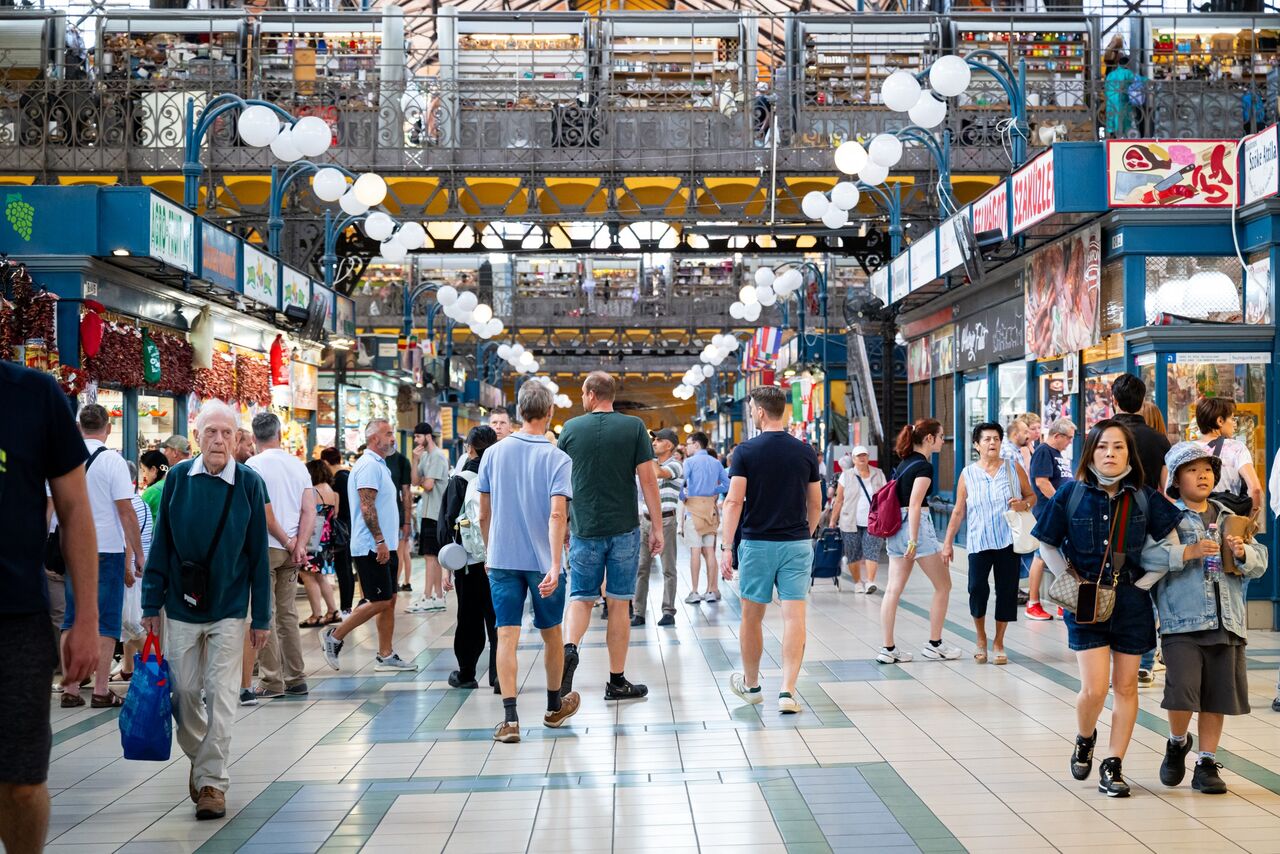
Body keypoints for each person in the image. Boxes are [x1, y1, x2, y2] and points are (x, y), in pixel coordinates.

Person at [1031, 420, 1182, 798]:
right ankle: (1085, 737)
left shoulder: (1145, 496)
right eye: (1102, 447)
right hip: (1085, 601)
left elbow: (1171, 545)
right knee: (1095, 690)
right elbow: (1046, 544)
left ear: (1129, 454)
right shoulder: (1071, 494)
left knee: (1127, 686)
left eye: (1118, 447)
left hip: (1131, 602)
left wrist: (1143, 584)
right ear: (1090, 453)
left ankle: (1113, 764)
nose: (1110, 454)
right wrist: (1069, 579)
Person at [141, 400, 273, 821]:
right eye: (210, 432)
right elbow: (161, 543)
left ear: (238, 440)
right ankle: (203, 761)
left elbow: (258, 557)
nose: (218, 439)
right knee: (182, 693)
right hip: (180, 606)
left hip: (230, 608)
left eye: (226, 433)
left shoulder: (249, 484)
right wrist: (150, 602)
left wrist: (263, 617)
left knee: (220, 694)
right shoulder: (179, 478)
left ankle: (212, 782)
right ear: (197, 438)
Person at [0, 362, 99, 853]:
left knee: (20, 784)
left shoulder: (34, 395)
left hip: (15, 622)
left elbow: (75, 508)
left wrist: (87, 620)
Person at [1150, 443, 1266, 796]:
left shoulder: (1230, 517)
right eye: (1191, 470)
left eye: (1207, 469)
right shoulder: (1166, 517)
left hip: (1226, 620)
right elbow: (1149, 558)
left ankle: (1206, 762)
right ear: (1175, 479)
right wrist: (1189, 551)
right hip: (1181, 622)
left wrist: (1244, 553)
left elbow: (1260, 562)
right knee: (1183, 691)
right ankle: (1176, 741)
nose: (1202, 475)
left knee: (1217, 695)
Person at [476, 382, 580, 741]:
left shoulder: (493, 454)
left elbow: (483, 514)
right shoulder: (557, 458)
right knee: (552, 635)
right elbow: (557, 516)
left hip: (502, 558)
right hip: (542, 562)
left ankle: (510, 721)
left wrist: (491, 552)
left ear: (519, 412)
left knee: (506, 636)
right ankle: (553, 708)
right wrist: (554, 564)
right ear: (550, 412)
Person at [557, 371, 662, 702]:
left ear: (589, 394)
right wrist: (657, 526)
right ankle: (617, 681)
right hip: (624, 529)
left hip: (584, 527)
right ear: (611, 395)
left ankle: (570, 649)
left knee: (581, 598)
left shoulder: (571, 429)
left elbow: (560, 484)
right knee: (618, 603)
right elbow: (648, 481)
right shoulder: (633, 428)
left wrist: (560, 528)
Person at [720, 386, 821, 715]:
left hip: (757, 544)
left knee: (752, 617)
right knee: (795, 617)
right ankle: (788, 691)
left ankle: (752, 686)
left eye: (751, 408)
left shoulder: (746, 452)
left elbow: (734, 501)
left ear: (761, 412)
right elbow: (815, 502)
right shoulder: (805, 451)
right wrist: (805, 535)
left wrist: (725, 546)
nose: (751, 412)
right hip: (796, 543)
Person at [61, 403, 145, 709]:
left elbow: (48, 505)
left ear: (80, 426)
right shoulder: (113, 461)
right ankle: (100, 690)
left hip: (72, 548)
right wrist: (137, 553)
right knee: (107, 621)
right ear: (108, 428)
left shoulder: (64, 457)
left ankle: (70, 688)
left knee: (71, 617)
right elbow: (126, 512)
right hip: (106, 549)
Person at [321, 419, 418, 674]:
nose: (393, 438)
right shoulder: (367, 466)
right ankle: (335, 636)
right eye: (388, 434)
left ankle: (385, 655)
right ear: (374, 438)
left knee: (390, 599)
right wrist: (379, 540)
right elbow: (367, 507)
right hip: (371, 546)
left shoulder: (380, 465)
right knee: (380, 599)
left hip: (386, 545)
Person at [941, 422, 1035, 666]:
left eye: (996, 439)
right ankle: (981, 638)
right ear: (976, 445)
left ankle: (999, 642)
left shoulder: (1013, 468)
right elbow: (958, 511)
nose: (992, 443)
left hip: (1007, 541)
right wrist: (948, 543)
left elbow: (1031, 495)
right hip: (978, 542)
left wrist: (1023, 505)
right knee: (977, 589)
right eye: (986, 439)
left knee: (1006, 592)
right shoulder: (968, 474)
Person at [877, 419, 961, 664]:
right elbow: (915, 504)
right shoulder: (923, 467)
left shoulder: (904, 463)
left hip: (894, 527)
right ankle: (935, 644)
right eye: (941, 436)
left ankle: (888, 648)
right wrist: (913, 540)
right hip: (915, 528)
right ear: (929, 439)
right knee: (943, 586)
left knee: (893, 589)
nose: (943, 441)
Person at [244, 412, 314, 703]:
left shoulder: (252, 466)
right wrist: (300, 544)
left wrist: (286, 540)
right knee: (288, 614)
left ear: (252, 438)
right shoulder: (297, 465)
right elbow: (309, 509)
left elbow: (261, 511)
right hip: (292, 549)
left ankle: (272, 680)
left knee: (265, 613)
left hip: (265, 547)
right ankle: (296, 677)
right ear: (280, 434)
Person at [437, 426, 499, 690]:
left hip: (469, 563)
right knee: (498, 620)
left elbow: (447, 523)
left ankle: (466, 673)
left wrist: (446, 566)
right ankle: (499, 676)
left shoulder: (460, 479)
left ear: (469, 448)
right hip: (499, 560)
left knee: (469, 618)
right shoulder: (501, 475)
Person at [1025, 418, 1077, 621]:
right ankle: (1033, 602)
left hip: (1059, 512)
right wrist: (1060, 504)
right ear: (1057, 436)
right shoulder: (1043, 452)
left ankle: (1061, 603)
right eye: (1069, 438)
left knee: (1049, 555)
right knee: (1042, 555)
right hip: (1049, 512)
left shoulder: (1056, 454)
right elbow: (1042, 482)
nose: (1070, 442)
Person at [633, 428, 683, 627]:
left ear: (669, 445)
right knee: (641, 567)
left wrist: (643, 453)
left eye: (658, 440)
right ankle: (638, 612)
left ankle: (668, 610)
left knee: (668, 567)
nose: (654, 443)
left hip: (666, 520)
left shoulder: (676, 465)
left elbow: (659, 472)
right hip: (645, 519)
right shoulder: (648, 464)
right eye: (652, 440)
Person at [828, 445, 886, 594]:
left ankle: (870, 582)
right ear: (853, 459)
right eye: (858, 456)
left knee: (871, 551)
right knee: (853, 553)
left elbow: (886, 498)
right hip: (850, 521)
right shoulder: (846, 475)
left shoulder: (878, 474)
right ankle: (858, 583)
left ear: (868, 457)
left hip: (874, 521)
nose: (862, 458)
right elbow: (839, 500)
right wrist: (833, 520)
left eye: (864, 455)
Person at [681, 431, 730, 603]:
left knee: (695, 551)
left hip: (693, 510)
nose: (686, 448)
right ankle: (710, 591)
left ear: (696, 444)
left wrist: (683, 497)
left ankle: (694, 592)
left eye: (688, 444)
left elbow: (681, 484)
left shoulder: (689, 462)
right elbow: (727, 484)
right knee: (710, 551)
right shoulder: (715, 462)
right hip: (710, 510)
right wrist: (712, 492)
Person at [1196, 397, 1262, 519]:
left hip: (1196, 519)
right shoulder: (1236, 448)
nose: (1234, 424)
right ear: (1220, 421)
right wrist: (1251, 522)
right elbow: (1255, 489)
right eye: (1232, 418)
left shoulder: (1187, 450)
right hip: (1229, 521)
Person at [409, 422, 450, 612]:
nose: (416, 440)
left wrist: (424, 480)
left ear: (428, 436)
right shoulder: (424, 457)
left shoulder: (437, 456)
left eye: (418, 436)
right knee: (430, 556)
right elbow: (416, 481)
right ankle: (436, 596)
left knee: (431, 557)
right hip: (428, 512)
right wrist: (414, 460)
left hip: (436, 513)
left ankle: (429, 596)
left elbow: (428, 485)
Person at [299, 460, 341, 628]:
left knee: (308, 575)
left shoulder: (314, 491)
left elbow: (307, 513)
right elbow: (334, 516)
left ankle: (316, 614)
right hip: (327, 539)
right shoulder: (332, 492)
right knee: (321, 576)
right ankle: (332, 611)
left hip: (312, 538)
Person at [1112, 374, 1170, 494]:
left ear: (1114, 401)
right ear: (1143, 400)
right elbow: (1166, 487)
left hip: (1108, 508)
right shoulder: (1159, 439)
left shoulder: (1100, 434)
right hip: (1147, 508)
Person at [320, 447, 355, 617]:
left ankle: (346, 607)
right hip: (350, 526)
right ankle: (346, 607)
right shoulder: (348, 476)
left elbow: (337, 509)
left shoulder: (338, 480)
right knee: (346, 567)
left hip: (342, 528)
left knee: (343, 568)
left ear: (326, 462)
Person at [383, 437, 414, 594]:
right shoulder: (375, 460)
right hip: (378, 515)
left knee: (399, 551)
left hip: (397, 515)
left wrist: (407, 521)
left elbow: (406, 492)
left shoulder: (401, 460)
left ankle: (394, 584)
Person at [138, 450, 169, 519]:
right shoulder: (172, 484)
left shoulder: (151, 491)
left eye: (144, 470)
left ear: (153, 470)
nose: (144, 475)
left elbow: (138, 516)